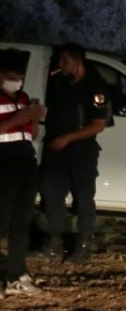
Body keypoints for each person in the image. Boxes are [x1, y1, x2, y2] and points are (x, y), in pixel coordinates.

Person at [39, 43, 109, 264]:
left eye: (64, 61)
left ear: (76, 62)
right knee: (51, 195)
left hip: (81, 152)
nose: (60, 65)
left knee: (83, 197)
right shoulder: (61, 84)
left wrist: (67, 138)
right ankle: (53, 242)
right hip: (56, 151)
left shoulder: (94, 88)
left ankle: (84, 244)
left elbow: (98, 124)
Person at [0, 49, 47, 295]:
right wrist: (19, 117)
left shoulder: (25, 97)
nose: (16, 79)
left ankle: (16, 275)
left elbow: (32, 135)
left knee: (21, 222)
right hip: (3, 161)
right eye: (11, 74)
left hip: (25, 160)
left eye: (20, 75)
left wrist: (35, 118)